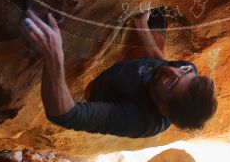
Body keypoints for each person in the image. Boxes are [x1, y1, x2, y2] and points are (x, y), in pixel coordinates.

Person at [21, 8, 217, 138]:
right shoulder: (186, 72)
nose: (171, 71)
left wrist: (54, 55)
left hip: (108, 88)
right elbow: (161, 63)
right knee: (156, 32)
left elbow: (65, 115)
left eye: (172, 83)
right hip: (137, 70)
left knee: (145, 68)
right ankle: (142, 34)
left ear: (164, 110)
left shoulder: (138, 120)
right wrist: (141, 25)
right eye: (182, 72)